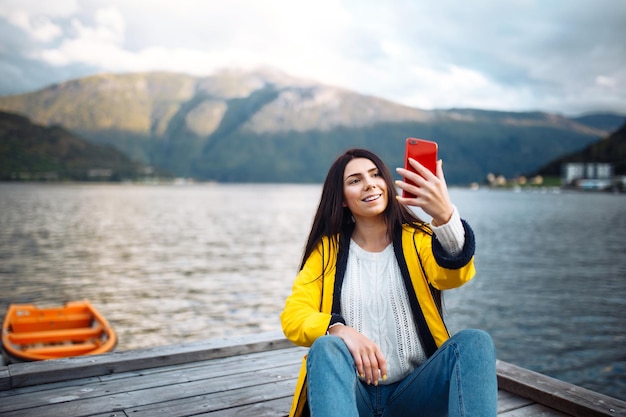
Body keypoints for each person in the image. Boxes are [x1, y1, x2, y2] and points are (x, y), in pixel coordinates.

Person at [280, 148, 497, 417]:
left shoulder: (418, 239)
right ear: (343, 199)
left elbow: (453, 276)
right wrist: (338, 329)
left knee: (475, 342)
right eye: (355, 180)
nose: (369, 183)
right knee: (326, 347)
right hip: (352, 395)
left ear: (386, 183)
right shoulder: (327, 251)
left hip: (416, 395)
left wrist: (444, 217)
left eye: (375, 175)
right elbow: (293, 316)